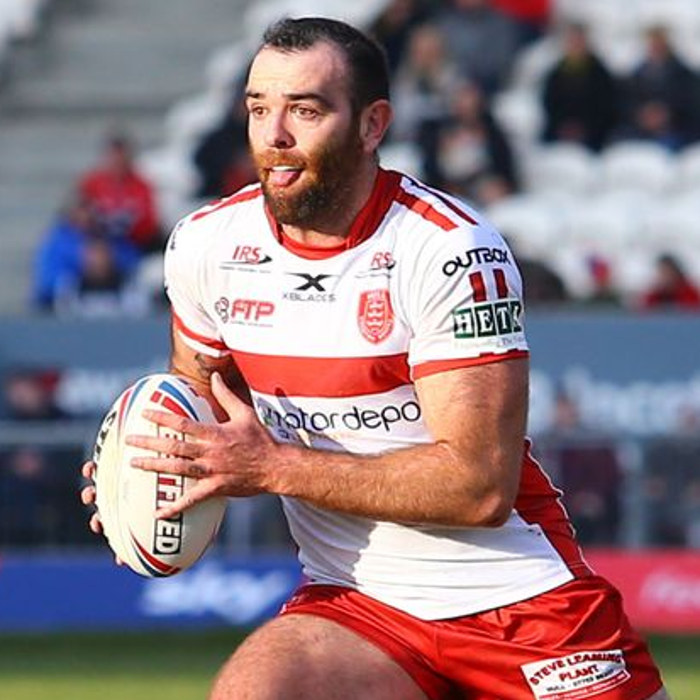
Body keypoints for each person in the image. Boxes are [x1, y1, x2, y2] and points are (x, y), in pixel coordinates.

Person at [81, 17, 669, 700]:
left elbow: (478, 487)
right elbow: (202, 416)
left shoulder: (448, 250)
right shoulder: (205, 246)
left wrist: (270, 467)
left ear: (372, 124)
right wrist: (147, 473)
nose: (274, 135)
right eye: (258, 108)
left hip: (520, 608)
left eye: (305, 110)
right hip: (359, 606)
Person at [77, 131, 162, 254]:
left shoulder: (141, 186)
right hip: (96, 242)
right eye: (113, 157)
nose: (117, 162)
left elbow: (149, 224)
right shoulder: (91, 183)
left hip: (130, 244)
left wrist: (129, 225)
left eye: (121, 157)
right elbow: (77, 215)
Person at [541, 22, 619, 152]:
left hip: (592, 132)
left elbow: (606, 105)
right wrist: (565, 126)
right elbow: (549, 104)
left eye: (579, 40)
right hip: (560, 130)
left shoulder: (600, 73)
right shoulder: (555, 73)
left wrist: (584, 128)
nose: (575, 45)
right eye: (572, 41)